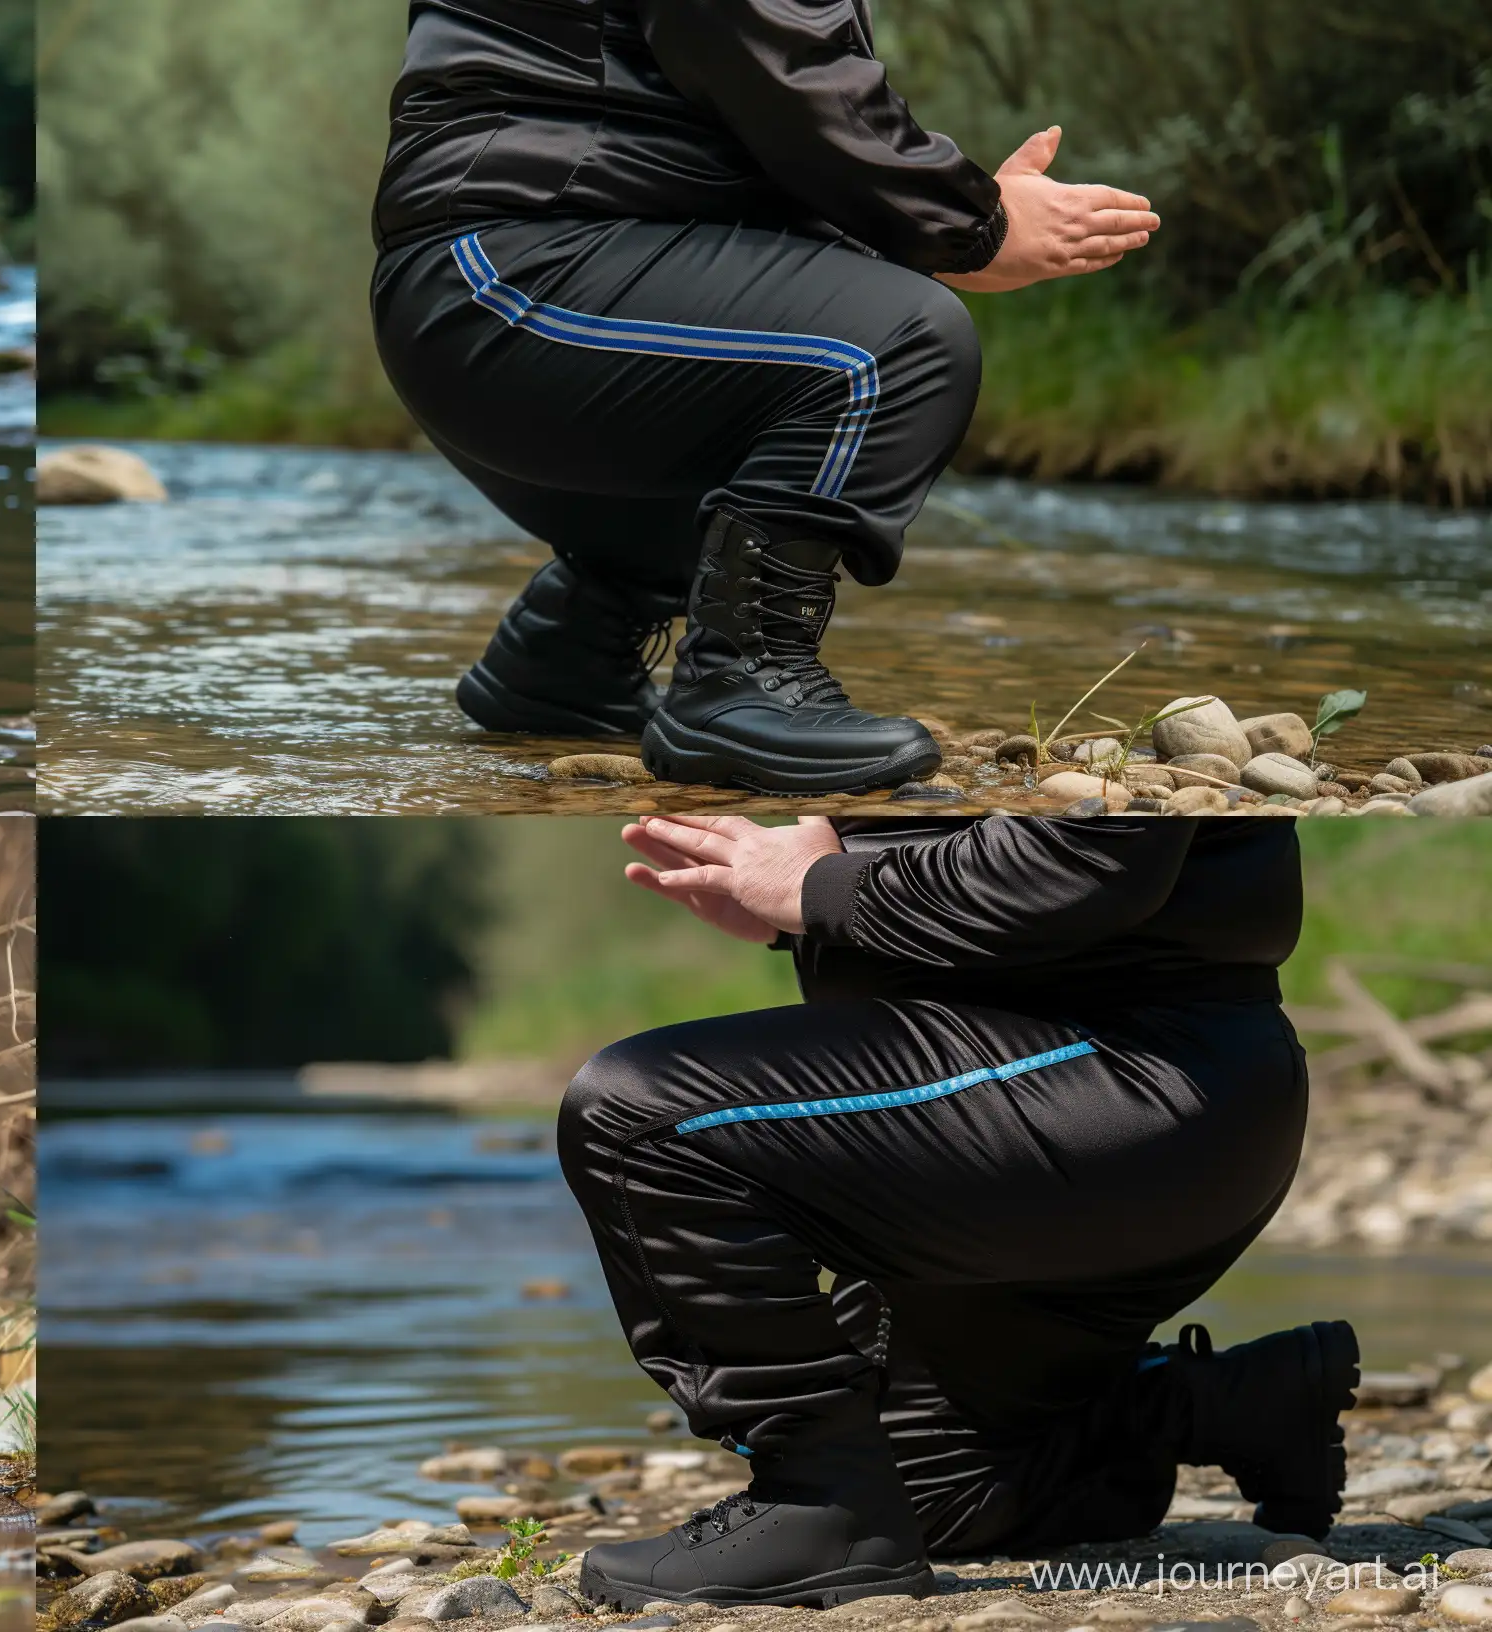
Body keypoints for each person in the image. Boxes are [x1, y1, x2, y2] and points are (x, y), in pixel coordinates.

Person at [557, 815, 1349, 1608]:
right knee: (936, 1493)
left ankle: (819, 1506)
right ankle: (1222, 1403)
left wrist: (825, 887)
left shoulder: (1110, 694)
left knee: (641, 1124)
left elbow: (1082, 855)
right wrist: (800, 917)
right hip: (1068, 1105)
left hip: (1132, 1085)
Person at [371, 2, 1161, 794]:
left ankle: (572, 652)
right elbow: (752, 39)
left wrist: (929, 225)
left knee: (832, 348)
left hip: (493, 290)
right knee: (896, 347)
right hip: (515, 283)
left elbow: (716, 141)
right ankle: (741, 683)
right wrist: (973, 224)